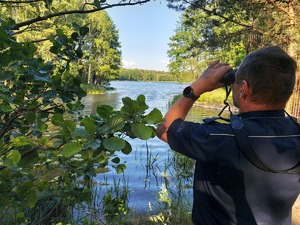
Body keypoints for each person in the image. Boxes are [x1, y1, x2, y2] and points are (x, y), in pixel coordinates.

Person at [156, 46, 300, 225]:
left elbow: (164, 128)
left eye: (237, 82)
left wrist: (197, 87)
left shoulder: (218, 137)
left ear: (244, 89)